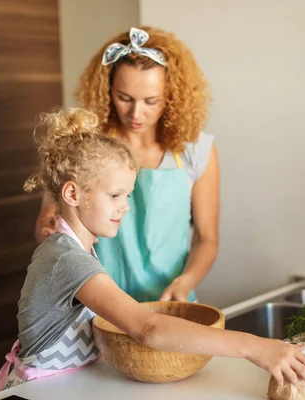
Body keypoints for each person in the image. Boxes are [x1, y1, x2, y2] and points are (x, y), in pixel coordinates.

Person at [0, 108, 305, 392]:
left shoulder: (76, 249)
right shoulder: (67, 259)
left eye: (128, 196)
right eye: (116, 195)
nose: (125, 207)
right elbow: (146, 327)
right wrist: (253, 347)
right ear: (73, 193)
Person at [35, 26, 219, 303]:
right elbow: (48, 223)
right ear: (108, 90)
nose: (136, 113)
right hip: (98, 303)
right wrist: (50, 233)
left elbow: (207, 238)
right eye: (125, 98)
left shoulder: (196, 150)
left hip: (171, 304)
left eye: (151, 101)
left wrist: (185, 283)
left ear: (171, 97)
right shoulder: (84, 147)